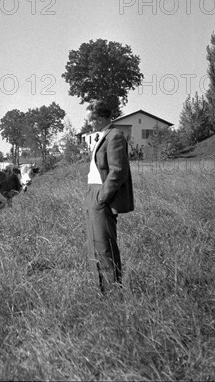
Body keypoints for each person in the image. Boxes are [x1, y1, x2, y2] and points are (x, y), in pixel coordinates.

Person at [84, 99, 134, 292]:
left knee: (105, 244)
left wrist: (102, 196)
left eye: (91, 120)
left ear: (101, 118)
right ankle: (100, 288)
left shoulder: (115, 136)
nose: (89, 124)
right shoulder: (101, 136)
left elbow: (118, 170)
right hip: (92, 192)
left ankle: (113, 289)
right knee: (94, 243)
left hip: (101, 194)